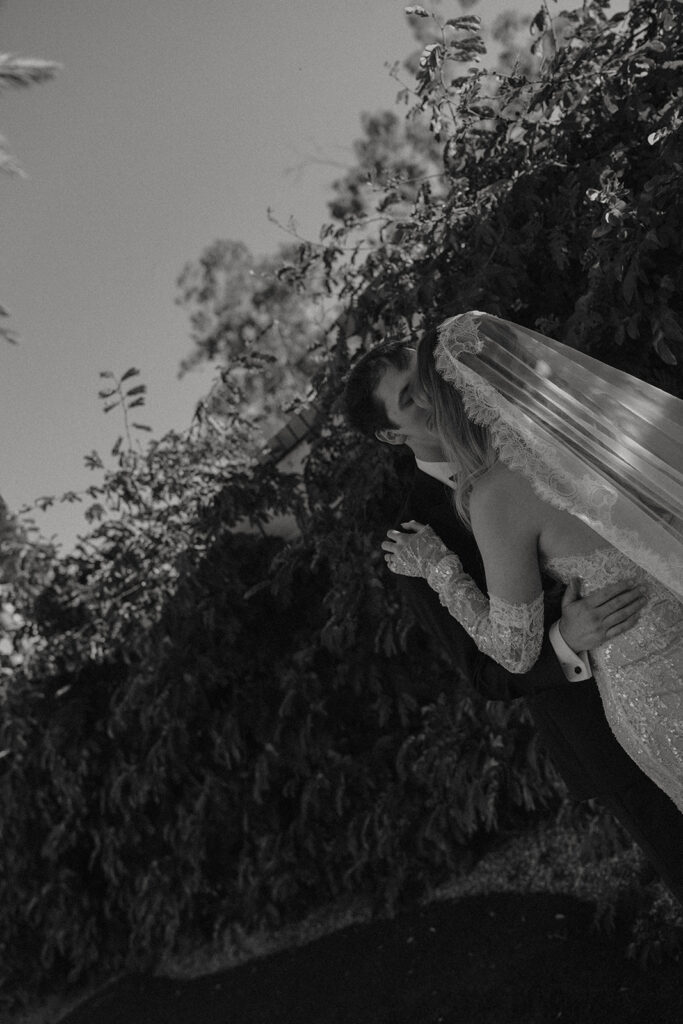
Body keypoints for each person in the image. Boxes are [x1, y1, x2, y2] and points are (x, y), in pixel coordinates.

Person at [342, 333, 683, 903]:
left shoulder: (552, 439)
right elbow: (484, 674)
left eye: (422, 375)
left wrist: (444, 573)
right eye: (407, 396)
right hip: (599, 728)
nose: (427, 391)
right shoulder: (417, 529)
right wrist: (565, 640)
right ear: (389, 434)